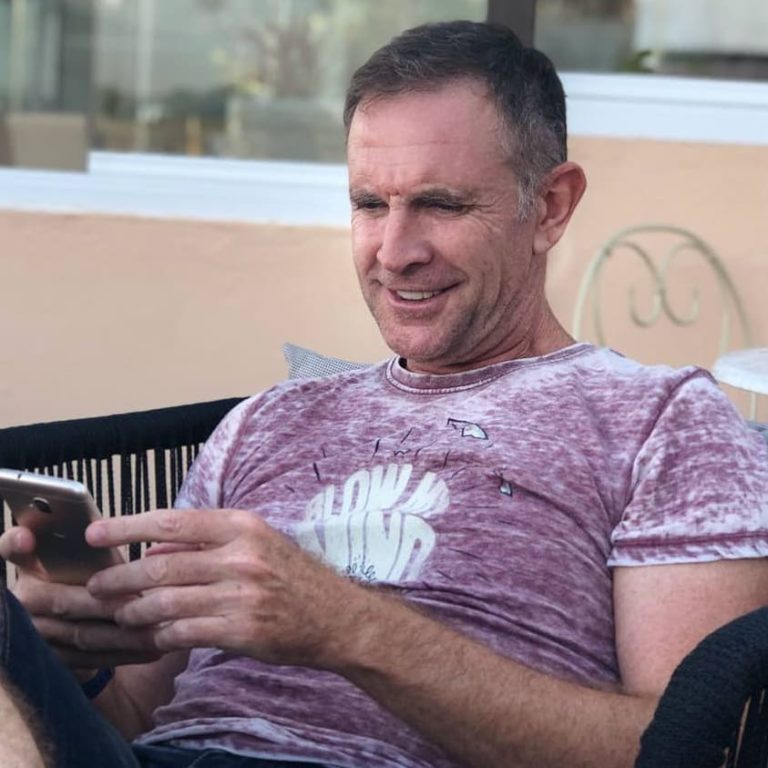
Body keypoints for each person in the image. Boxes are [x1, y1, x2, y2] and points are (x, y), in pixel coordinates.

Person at [1, 19, 767, 768]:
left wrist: (345, 626)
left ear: (550, 206)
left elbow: (690, 747)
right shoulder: (264, 423)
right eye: (369, 204)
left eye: (442, 204)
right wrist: (78, 661)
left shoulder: (661, 421)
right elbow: (135, 715)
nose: (395, 253)